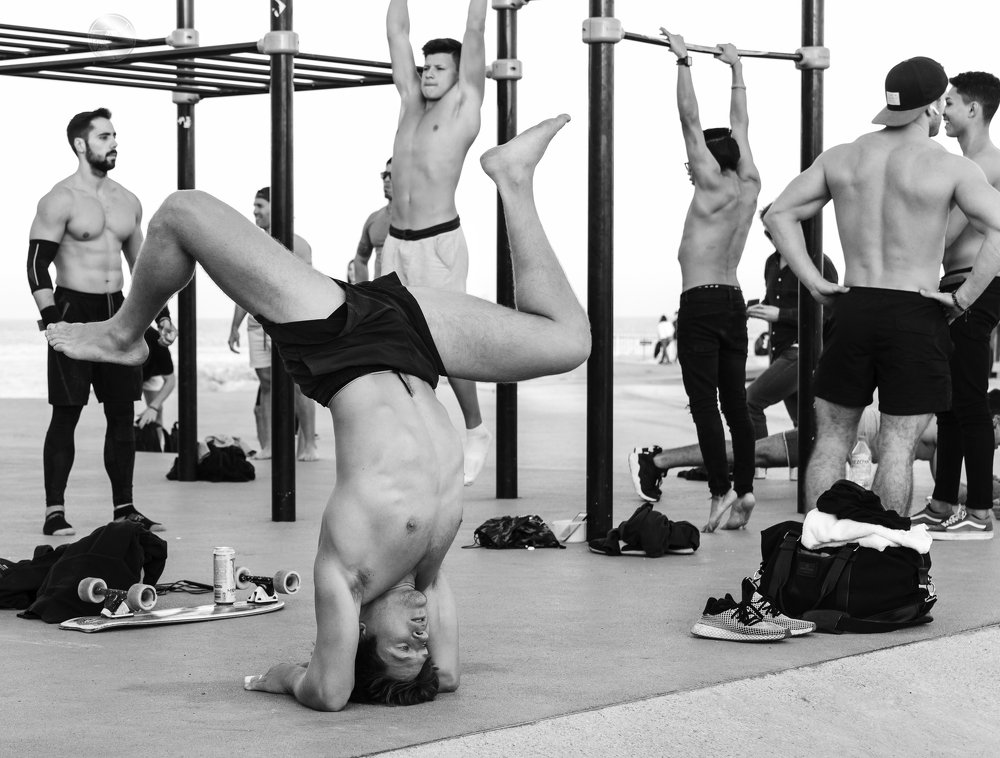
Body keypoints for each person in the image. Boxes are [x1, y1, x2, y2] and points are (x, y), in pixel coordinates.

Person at [47, 115, 589, 711]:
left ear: (356, 633)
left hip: (335, 338)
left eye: (401, 651)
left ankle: (126, 333)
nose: (418, 638)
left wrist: (276, 676)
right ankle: (512, 178)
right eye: (421, 650)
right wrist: (429, 670)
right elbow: (450, 675)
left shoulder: (347, 576)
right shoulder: (424, 574)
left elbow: (329, 693)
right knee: (569, 342)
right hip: (413, 335)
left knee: (181, 212)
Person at [764, 56, 1000, 515]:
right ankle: (887, 552)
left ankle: (820, 546)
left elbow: (779, 215)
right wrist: (964, 297)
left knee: (833, 438)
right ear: (931, 106)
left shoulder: (843, 156)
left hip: (853, 306)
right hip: (915, 310)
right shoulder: (948, 167)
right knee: (897, 446)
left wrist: (813, 282)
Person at [631, 33, 760, 534]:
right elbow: (742, 127)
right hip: (732, 301)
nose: (690, 166)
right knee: (736, 404)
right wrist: (736, 68)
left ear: (708, 159)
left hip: (702, 305)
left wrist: (684, 62)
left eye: (695, 159)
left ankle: (721, 491)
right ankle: (744, 489)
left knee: (706, 403)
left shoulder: (709, 182)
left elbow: (689, 120)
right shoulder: (749, 184)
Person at [27, 107, 173, 536]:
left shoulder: (128, 201)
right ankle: (55, 511)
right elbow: (36, 266)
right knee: (67, 413)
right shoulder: (60, 199)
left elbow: (146, 265)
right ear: (80, 143)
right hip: (73, 311)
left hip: (119, 312)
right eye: (105, 136)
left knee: (121, 413)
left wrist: (160, 314)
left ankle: (124, 508)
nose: (114, 143)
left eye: (114, 136)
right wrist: (53, 320)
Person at [385, 0, 493, 486]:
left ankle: (475, 428)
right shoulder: (410, 103)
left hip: (437, 244)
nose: (426, 73)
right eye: (424, 66)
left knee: (447, 345)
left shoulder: (464, 106)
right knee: (393, 345)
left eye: (437, 68)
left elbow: (474, 27)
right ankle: (419, 436)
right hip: (396, 242)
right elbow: (396, 32)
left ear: (458, 74)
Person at [909, 72, 1000, 540]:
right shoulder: (971, 162)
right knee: (950, 404)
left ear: (974, 110)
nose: (942, 109)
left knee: (969, 403)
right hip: (958, 285)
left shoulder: (981, 165)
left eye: (951, 101)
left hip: (975, 287)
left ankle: (980, 513)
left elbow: (944, 237)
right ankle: (944, 502)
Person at [228, 187, 319, 462]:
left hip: (289, 322)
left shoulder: (298, 244)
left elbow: (308, 286)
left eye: (260, 205)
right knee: (266, 383)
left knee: (298, 384)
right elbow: (244, 288)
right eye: (254, 205)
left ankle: (308, 446)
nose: (254, 211)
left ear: (275, 208)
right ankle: (268, 446)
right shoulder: (250, 243)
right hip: (258, 324)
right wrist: (234, 326)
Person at [746, 203, 839, 444]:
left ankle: (757, 462)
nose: (772, 236)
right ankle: (804, 467)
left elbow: (830, 311)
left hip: (803, 351)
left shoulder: (819, 261)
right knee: (803, 421)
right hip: (779, 350)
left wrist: (781, 315)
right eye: (768, 231)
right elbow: (771, 302)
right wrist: (756, 310)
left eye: (776, 228)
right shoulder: (771, 263)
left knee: (751, 401)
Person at [351, 158, 393, 283]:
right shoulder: (374, 219)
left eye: (391, 175)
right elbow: (360, 259)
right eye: (384, 175)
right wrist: (363, 295)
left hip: (411, 297)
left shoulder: (419, 218)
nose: (386, 180)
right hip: (382, 297)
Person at [138, 326, 176, 431]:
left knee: (156, 412)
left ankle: (157, 445)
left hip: (150, 374)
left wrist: (153, 407)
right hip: (123, 372)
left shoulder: (155, 338)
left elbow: (170, 380)